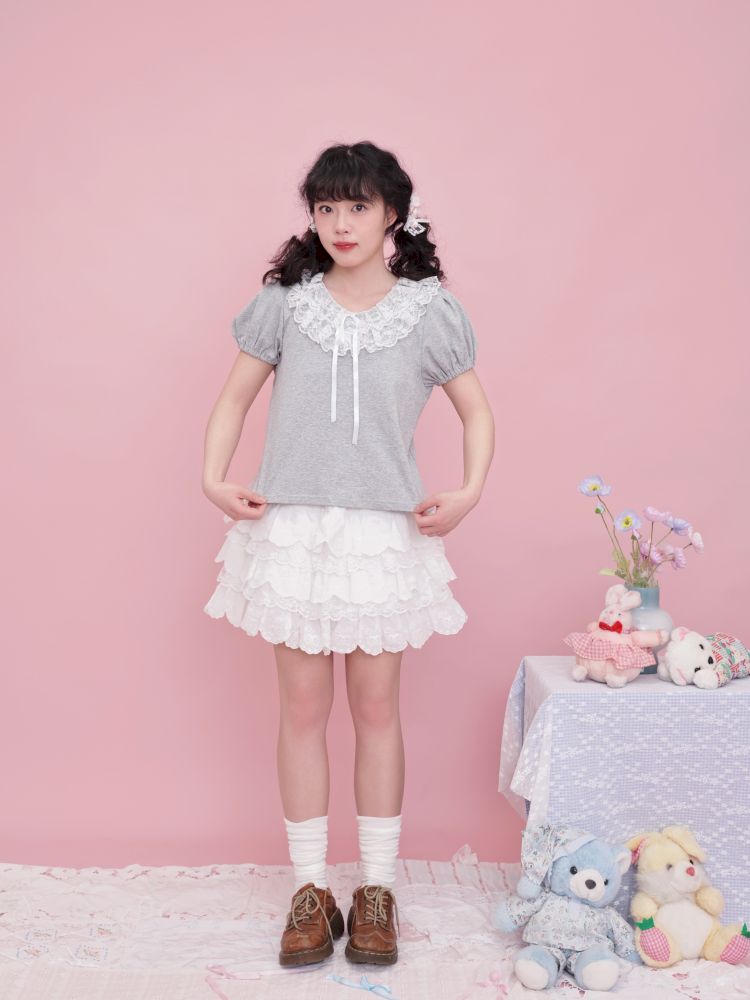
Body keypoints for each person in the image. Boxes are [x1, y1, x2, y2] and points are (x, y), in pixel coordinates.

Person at [201, 140, 494, 968]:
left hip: (379, 538)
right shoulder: (285, 306)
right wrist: (212, 478)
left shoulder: (429, 311)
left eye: (357, 206)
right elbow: (233, 398)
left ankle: (376, 890)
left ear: (393, 212)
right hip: (294, 533)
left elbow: (477, 412)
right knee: (300, 711)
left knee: (375, 710)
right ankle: (308, 890)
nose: (340, 222)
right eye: (326, 207)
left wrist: (468, 491)